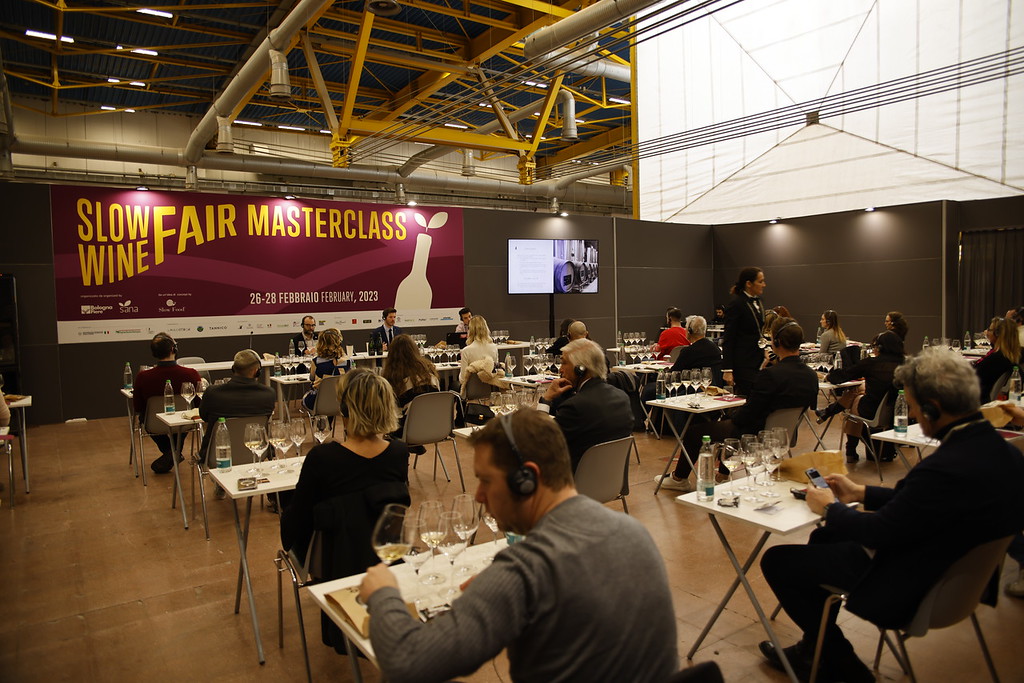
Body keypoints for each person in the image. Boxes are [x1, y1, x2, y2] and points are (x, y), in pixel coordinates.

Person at [757, 348, 1024, 683]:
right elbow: (925, 504)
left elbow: (878, 532)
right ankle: (814, 649)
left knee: (779, 561)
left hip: (914, 583)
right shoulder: (1005, 454)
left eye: (912, 406)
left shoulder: (943, 468)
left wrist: (828, 507)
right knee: (827, 536)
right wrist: (861, 493)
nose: (911, 414)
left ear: (932, 408)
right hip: (959, 578)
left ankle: (842, 663)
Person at [358, 408, 678, 683]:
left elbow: (407, 661)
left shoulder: (523, 570)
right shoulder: (634, 532)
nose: (479, 496)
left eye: (486, 480)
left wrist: (384, 593)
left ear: (526, 479)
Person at [282, 370, 410, 653]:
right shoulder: (399, 453)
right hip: (384, 556)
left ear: (344, 409)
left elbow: (298, 520)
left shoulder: (322, 458)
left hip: (330, 559)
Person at [657, 318, 817, 492]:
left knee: (694, 432)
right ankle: (722, 476)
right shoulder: (811, 376)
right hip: (785, 435)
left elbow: (748, 415)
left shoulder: (770, 375)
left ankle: (679, 478)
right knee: (728, 423)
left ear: (777, 342)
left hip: (754, 434)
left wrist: (734, 413)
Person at [539, 338, 633, 471]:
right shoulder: (622, 398)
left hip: (572, 479)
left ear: (580, 369)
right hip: (612, 478)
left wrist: (546, 399)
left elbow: (539, 441)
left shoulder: (575, 407)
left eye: (564, 363)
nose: (560, 369)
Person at [815, 331, 904, 463]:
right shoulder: (906, 364)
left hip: (871, 411)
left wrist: (826, 376)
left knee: (856, 398)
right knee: (859, 389)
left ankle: (850, 447)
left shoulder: (872, 363)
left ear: (879, 348)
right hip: (897, 412)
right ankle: (830, 413)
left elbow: (843, 376)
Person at [132, 333, 201, 473]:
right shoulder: (191, 374)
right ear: (173, 349)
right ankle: (174, 452)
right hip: (185, 422)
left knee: (146, 419)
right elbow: (198, 404)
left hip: (154, 424)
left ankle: (171, 453)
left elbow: (138, 407)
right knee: (182, 420)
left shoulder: (143, 377)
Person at [198, 349, 277, 460]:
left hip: (217, 456)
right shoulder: (268, 394)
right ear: (257, 371)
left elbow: (204, 416)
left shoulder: (212, 393)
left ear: (233, 369)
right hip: (257, 452)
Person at [722, 266, 767, 396]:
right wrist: (728, 369)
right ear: (748, 284)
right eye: (760, 281)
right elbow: (729, 338)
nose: (764, 285)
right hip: (743, 362)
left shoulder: (759, 302)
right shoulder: (736, 304)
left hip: (758, 360)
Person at [301, 328, 352, 412]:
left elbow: (312, 379)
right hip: (343, 403)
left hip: (320, 403)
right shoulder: (348, 361)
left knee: (306, 398)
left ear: (320, 343)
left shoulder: (316, 362)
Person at [973, 316, 1023, 400]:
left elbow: (974, 375)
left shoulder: (997, 358)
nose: (987, 332)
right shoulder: (1006, 356)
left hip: (974, 397)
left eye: (989, 329)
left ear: (998, 334)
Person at [670, 315, 723, 384]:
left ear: (689, 331)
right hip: (713, 387)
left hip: (693, 387)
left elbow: (674, 374)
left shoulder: (688, 352)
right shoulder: (716, 349)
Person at [459, 315, 499, 385]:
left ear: (470, 330)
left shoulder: (466, 351)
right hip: (490, 388)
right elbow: (495, 372)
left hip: (471, 389)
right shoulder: (494, 348)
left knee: (453, 384)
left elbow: (463, 380)